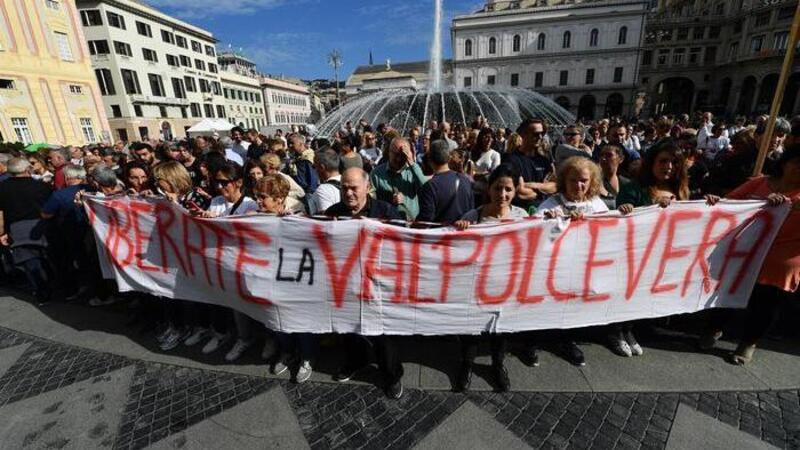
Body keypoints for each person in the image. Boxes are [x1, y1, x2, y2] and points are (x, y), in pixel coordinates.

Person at [700, 144, 800, 364]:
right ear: (785, 163)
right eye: (797, 163)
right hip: (745, 252)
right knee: (726, 291)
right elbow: (730, 205)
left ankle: (748, 343)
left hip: (780, 259)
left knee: (766, 303)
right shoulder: (760, 183)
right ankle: (714, 328)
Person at [325, 168, 405, 399]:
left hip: (378, 285)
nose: (348, 193)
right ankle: (356, 361)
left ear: (367, 187)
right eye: (344, 188)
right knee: (348, 329)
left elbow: (404, 242)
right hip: (346, 285)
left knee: (383, 335)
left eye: (354, 188)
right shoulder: (333, 213)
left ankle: (391, 375)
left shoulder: (386, 211)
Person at [452, 164, 528, 392]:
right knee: (472, 329)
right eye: (498, 189)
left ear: (515, 191)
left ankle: (497, 364)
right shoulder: (473, 216)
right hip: (477, 285)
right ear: (489, 189)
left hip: (507, 286)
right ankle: (467, 364)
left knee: (501, 328)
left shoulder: (522, 217)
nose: (502, 195)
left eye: (508, 189)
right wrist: (460, 229)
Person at [614, 142, 691, 357]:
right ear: (652, 163)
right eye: (663, 161)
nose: (668, 166)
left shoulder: (681, 191)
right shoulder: (633, 188)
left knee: (642, 293)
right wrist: (634, 208)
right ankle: (616, 331)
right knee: (627, 291)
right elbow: (621, 218)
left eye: (674, 162)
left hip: (663, 253)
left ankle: (630, 330)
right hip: (635, 252)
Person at [0, 158, 53, 303]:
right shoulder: (40, 186)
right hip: (40, 224)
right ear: (27, 169)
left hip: (17, 227)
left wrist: (2, 232)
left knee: (29, 260)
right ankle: (53, 284)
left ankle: (42, 291)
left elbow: (1, 213)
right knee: (45, 256)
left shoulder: (3, 187)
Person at [503, 118, 556, 211]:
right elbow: (520, 192)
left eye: (542, 134)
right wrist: (544, 189)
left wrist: (530, 185)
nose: (540, 137)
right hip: (522, 213)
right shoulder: (511, 159)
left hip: (544, 211)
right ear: (523, 135)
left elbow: (555, 186)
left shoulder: (544, 160)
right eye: (536, 134)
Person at [369, 137, 427, 220]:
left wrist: (412, 162)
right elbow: (371, 200)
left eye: (402, 155)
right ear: (389, 153)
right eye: (396, 154)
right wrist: (388, 198)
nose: (398, 159)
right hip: (387, 223)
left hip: (411, 222)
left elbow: (427, 188)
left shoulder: (413, 171)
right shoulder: (376, 173)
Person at [417, 140, 474, 223]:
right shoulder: (465, 180)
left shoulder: (430, 186)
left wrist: (411, 227)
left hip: (439, 235)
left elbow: (425, 221)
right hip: (463, 234)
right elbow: (472, 213)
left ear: (430, 159)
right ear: (448, 158)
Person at [309, 148, 341, 215]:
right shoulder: (350, 183)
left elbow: (326, 220)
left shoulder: (323, 190)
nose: (314, 169)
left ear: (321, 167)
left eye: (314, 166)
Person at [597, 144, 629, 210]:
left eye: (609, 155)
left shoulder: (627, 183)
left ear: (621, 159)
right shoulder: (594, 183)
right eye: (601, 155)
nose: (603, 158)